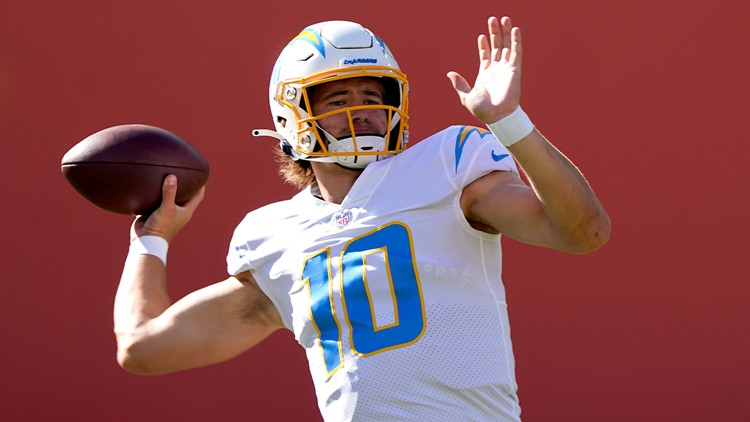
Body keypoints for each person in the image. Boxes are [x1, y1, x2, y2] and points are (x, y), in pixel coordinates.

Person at [114, 16, 610, 421]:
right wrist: (151, 240)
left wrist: (509, 124)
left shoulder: (450, 164)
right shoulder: (274, 238)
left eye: (374, 95)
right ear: (289, 116)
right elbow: (142, 349)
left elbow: (583, 232)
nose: (364, 111)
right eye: (338, 98)